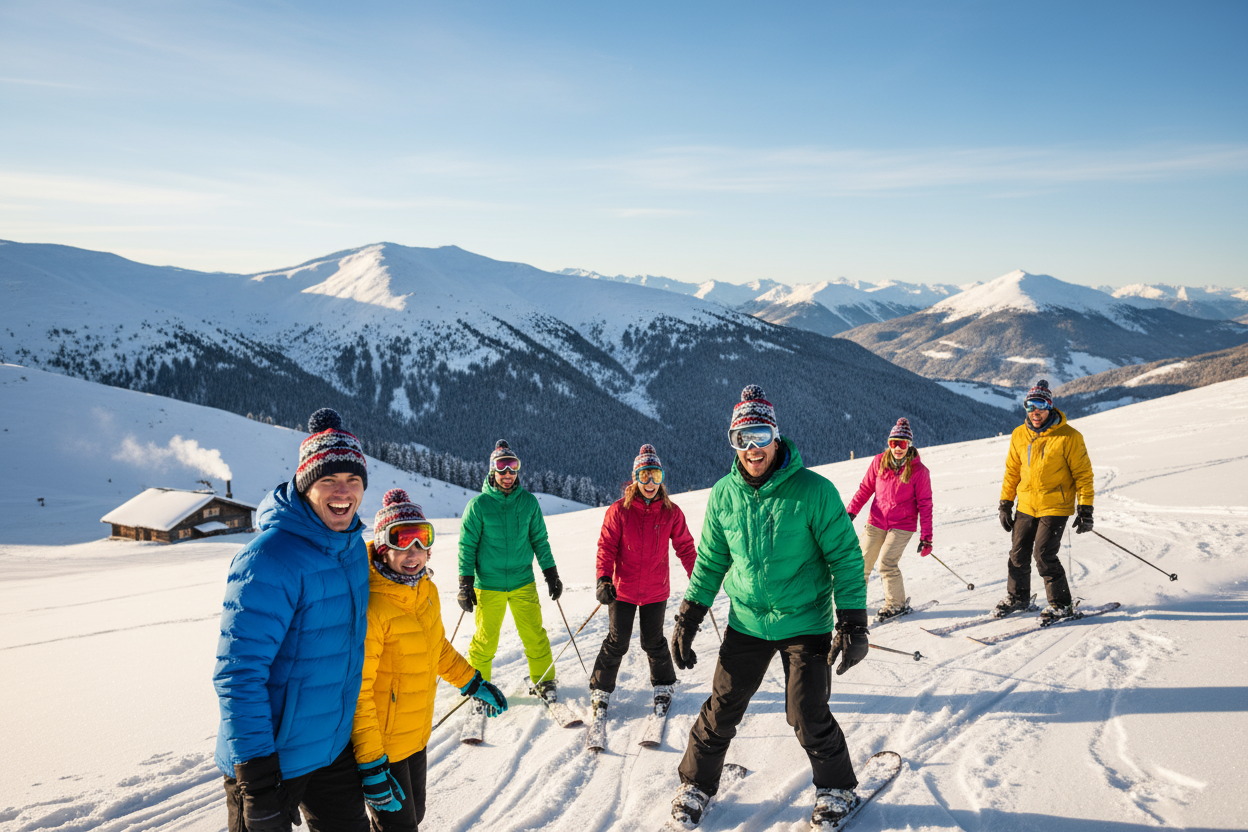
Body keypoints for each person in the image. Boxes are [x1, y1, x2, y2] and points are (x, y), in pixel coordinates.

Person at [668, 385, 869, 828]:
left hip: (804, 620)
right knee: (721, 707)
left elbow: (846, 558)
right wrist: (689, 615)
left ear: (776, 436)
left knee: (806, 710)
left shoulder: (814, 491)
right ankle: (697, 783)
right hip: (747, 621)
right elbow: (711, 559)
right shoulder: (724, 494)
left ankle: (837, 786)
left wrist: (853, 622)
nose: (752, 448)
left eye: (759, 435)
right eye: (741, 438)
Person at [213, 408, 371, 832]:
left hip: (332, 749)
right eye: (328, 481)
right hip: (271, 759)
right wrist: (258, 781)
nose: (343, 492)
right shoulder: (269, 557)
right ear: (305, 487)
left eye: (353, 480)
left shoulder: (355, 547)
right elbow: (238, 674)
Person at [350, 489, 508, 832]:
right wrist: (371, 764)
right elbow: (358, 693)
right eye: (402, 540)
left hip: (416, 734)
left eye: (421, 540)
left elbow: (437, 648)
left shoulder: (426, 590)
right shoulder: (373, 607)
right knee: (399, 826)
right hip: (383, 746)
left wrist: (473, 683)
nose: (414, 552)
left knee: (415, 814)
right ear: (381, 546)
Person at [589, 444, 698, 717]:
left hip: (655, 591)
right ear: (635, 478)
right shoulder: (619, 511)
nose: (650, 483)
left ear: (662, 479)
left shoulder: (671, 512)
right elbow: (606, 547)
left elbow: (685, 547)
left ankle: (664, 685)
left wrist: (698, 578)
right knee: (617, 642)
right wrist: (604, 579)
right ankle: (600, 689)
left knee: (653, 641)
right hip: (622, 590)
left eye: (656, 476)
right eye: (645, 476)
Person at [457, 440, 565, 707]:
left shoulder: (528, 503)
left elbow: (540, 540)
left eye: (512, 467)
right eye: (501, 467)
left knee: (534, 635)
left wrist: (551, 574)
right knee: (485, 641)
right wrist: (464, 583)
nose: (507, 474)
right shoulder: (478, 505)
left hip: (522, 582)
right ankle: (478, 686)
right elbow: (467, 545)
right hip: (488, 584)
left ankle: (544, 680)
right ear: (492, 470)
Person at [997, 379, 1095, 623]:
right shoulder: (1019, 434)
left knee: (1043, 554)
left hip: (1055, 506)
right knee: (1018, 554)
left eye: (1040, 404)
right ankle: (1018, 598)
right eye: (1029, 406)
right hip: (1027, 505)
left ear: (1049, 406)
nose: (1035, 411)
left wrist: (1085, 509)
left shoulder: (1069, 437)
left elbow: (1083, 475)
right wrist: (1005, 504)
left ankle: (1061, 605)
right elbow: (1012, 472)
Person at [845, 417, 934, 622]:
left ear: (909, 444)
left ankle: (896, 605)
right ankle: (854, 603)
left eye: (902, 443)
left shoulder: (919, 472)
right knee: (861, 562)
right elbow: (865, 489)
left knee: (886, 563)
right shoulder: (879, 461)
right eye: (893, 443)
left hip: (902, 525)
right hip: (877, 520)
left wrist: (926, 537)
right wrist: (851, 512)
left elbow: (925, 505)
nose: (897, 448)